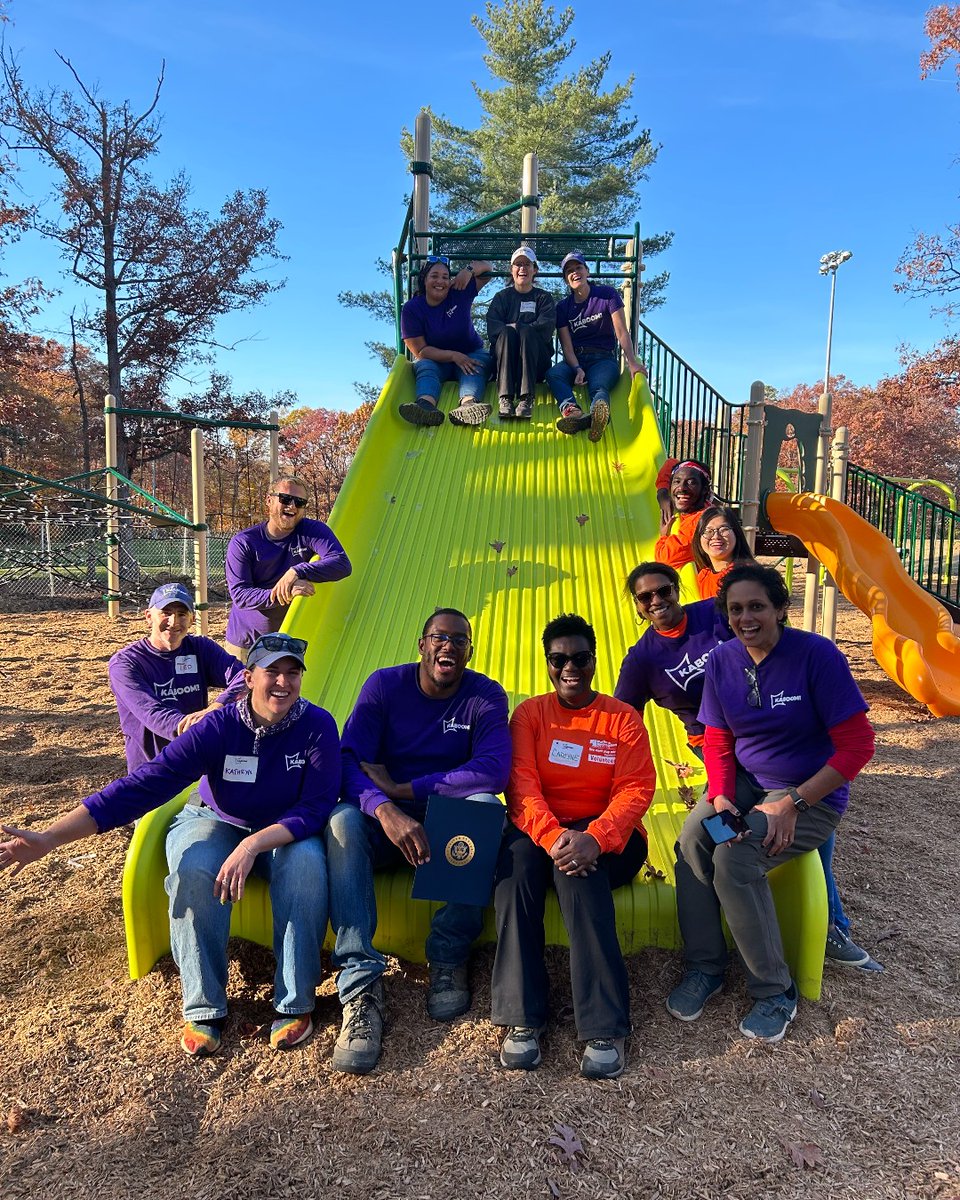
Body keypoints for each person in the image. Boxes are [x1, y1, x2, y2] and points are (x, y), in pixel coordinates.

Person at [0, 632, 340, 1057]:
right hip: (215, 817)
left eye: (293, 673)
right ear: (249, 676)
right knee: (194, 869)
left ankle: (295, 1002)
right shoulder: (220, 726)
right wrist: (50, 837)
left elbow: (316, 806)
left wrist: (253, 845)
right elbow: (143, 786)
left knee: (306, 867)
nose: (283, 683)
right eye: (272, 671)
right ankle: (203, 1006)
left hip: (281, 829)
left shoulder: (316, 725)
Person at [616, 562, 876, 970]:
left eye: (756, 607)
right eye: (736, 610)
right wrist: (719, 795)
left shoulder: (816, 656)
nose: (745, 618)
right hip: (739, 777)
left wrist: (792, 804)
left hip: (801, 788)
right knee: (692, 843)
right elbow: (717, 738)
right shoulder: (720, 660)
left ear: (780, 609)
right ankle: (705, 965)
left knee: (734, 859)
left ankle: (775, 984)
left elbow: (858, 745)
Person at [325, 607, 511, 1075]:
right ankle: (360, 981)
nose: (448, 646)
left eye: (459, 640)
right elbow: (348, 761)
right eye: (439, 637)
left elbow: (493, 769)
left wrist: (406, 790)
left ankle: (448, 955)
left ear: (470, 651)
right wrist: (385, 808)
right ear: (422, 644)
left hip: (443, 825)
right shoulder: (385, 686)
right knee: (343, 822)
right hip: (387, 825)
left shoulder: (485, 695)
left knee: (484, 807)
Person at [492, 613, 654, 1080]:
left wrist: (595, 838)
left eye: (580, 658)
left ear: (594, 661)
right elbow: (520, 785)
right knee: (515, 873)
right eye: (558, 659)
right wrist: (555, 837)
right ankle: (522, 1015)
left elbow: (636, 788)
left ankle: (604, 1024)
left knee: (578, 876)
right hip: (541, 830)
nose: (570, 668)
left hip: (609, 837)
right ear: (546, 663)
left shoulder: (622, 718)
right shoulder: (530, 714)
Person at [108, 582, 248, 772]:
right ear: (148, 617)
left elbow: (245, 677)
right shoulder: (126, 663)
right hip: (152, 769)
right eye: (166, 612)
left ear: (192, 619)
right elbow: (154, 714)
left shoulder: (201, 648)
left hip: (195, 761)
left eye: (182, 614)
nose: (174, 622)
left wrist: (218, 705)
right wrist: (203, 727)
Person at [224, 474, 351, 660]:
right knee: (244, 690)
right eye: (285, 499)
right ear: (269, 500)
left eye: (299, 502)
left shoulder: (311, 531)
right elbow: (241, 595)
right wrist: (285, 592)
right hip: (248, 642)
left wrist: (298, 570)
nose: (292, 506)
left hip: (291, 640)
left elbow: (341, 563)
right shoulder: (244, 542)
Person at [546, 252, 646, 442]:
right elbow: (566, 346)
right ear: (566, 280)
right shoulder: (563, 307)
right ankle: (572, 411)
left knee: (598, 386)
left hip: (603, 358)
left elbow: (622, 332)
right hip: (576, 358)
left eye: (578, 268)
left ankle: (598, 414)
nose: (574, 273)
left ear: (587, 271)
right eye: (569, 271)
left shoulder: (606, 295)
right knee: (554, 374)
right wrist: (576, 368)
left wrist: (631, 362)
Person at [399, 255, 494, 428]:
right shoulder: (412, 308)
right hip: (436, 358)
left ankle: (468, 405)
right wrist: (453, 356)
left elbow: (488, 269)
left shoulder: (458, 291)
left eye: (445, 277)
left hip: (470, 351)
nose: (440, 281)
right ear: (424, 280)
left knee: (476, 365)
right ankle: (425, 405)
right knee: (425, 366)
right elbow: (420, 351)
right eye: (434, 276)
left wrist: (468, 270)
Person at [485, 246, 556, 421]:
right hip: (505, 365)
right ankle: (505, 398)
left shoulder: (544, 298)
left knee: (526, 331)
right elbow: (493, 329)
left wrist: (520, 327)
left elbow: (546, 328)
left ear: (535, 269)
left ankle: (526, 398)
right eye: (518, 264)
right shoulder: (501, 298)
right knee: (508, 333)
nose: (522, 268)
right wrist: (514, 328)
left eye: (527, 264)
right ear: (512, 270)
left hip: (536, 365)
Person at [655, 459, 714, 569]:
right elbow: (671, 463)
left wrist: (663, 536)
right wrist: (662, 492)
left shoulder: (702, 521)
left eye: (691, 482)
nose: (681, 488)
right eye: (676, 482)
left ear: (704, 489)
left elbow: (665, 559)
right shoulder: (700, 508)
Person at [691, 507, 756, 600]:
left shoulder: (746, 575)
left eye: (724, 529)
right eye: (708, 531)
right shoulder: (703, 577)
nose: (716, 536)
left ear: (736, 533)